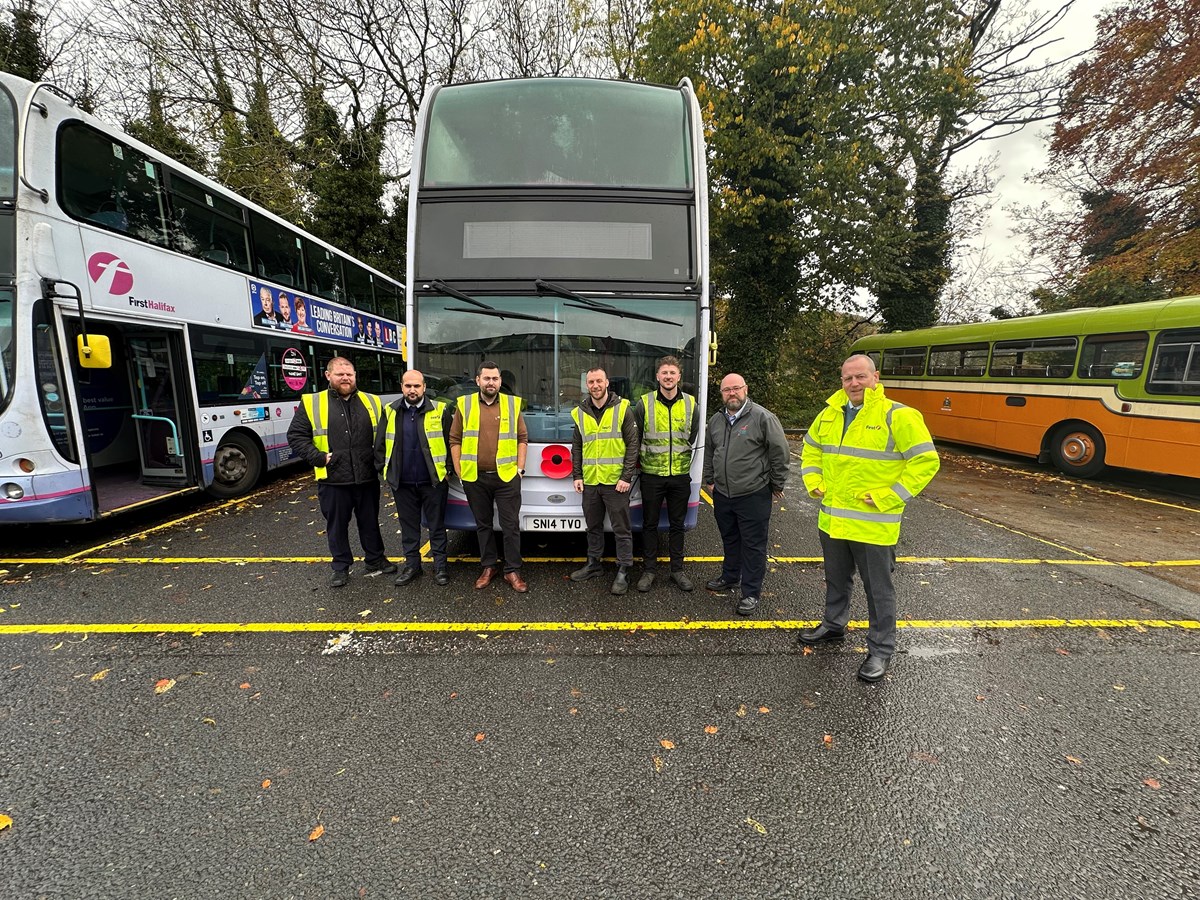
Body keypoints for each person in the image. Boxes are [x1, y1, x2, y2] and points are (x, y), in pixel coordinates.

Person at [797, 354, 940, 682]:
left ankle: (880, 650)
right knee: (836, 579)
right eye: (848, 378)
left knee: (878, 590)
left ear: (875, 377)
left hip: (874, 525)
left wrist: (888, 497)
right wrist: (813, 480)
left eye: (860, 377)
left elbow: (925, 462)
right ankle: (834, 625)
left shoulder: (898, 416)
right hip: (832, 520)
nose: (854, 384)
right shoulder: (830, 413)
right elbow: (810, 449)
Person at [287, 356, 396, 587]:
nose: (345, 378)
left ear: (355, 376)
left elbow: (385, 436)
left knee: (370, 521)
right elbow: (296, 436)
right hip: (333, 479)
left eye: (349, 374)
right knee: (336, 525)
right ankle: (341, 566)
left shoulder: (373, 401)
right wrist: (318, 458)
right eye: (340, 374)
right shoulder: (312, 403)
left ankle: (375, 559)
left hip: (366, 476)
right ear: (328, 376)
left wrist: (380, 464)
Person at [702, 373, 790, 616]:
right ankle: (730, 577)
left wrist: (777, 484)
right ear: (721, 393)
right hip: (722, 494)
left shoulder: (763, 418)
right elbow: (710, 451)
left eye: (736, 388)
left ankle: (750, 593)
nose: (732, 393)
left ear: (745, 389)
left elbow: (780, 453)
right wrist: (709, 480)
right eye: (727, 390)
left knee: (753, 546)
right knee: (730, 538)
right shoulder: (717, 420)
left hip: (753, 494)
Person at [450, 361, 529, 592]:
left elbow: (522, 438)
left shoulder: (512, 405)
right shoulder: (464, 405)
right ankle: (488, 566)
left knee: (510, 525)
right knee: (483, 525)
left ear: (500, 381)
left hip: (506, 477)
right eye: (487, 378)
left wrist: (520, 469)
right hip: (475, 477)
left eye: (495, 379)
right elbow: (455, 439)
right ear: (478, 381)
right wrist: (459, 469)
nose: (491, 383)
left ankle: (512, 570)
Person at [376, 369, 452, 586]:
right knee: (409, 528)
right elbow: (380, 445)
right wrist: (387, 473)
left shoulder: (439, 410)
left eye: (416, 386)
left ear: (424, 387)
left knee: (437, 526)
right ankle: (412, 566)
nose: (412, 390)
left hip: (433, 482)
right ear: (402, 387)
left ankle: (440, 567)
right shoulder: (390, 411)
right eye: (408, 386)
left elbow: (451, 442)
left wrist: (447, 471)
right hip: (403, 483)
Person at [569, 367, 640, 595]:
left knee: (622, 529)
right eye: (591, 382)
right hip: (590, 481)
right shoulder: (579, 412)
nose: (595, 385)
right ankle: (593, 564)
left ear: (607, 382)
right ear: (586, 385)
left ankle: (623, 569)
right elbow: (577, 447)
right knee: (593, 527)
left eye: (599, 381)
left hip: (616, 483)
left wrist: (626, 477)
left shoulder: (622, 409)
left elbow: (633, 446)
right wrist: (577, 475)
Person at [633, 356, 699, 592]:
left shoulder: (692, 405)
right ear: (657, 377)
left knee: (677, 525)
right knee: (649, 524)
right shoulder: (644, 404)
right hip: (651, 475)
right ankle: (649, 571)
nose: (668, 376)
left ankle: (677, 571)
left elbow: (691, 436)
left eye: (673, 372)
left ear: (679, 377)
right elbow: (636, 437)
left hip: (680, 475)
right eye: (664, 372)